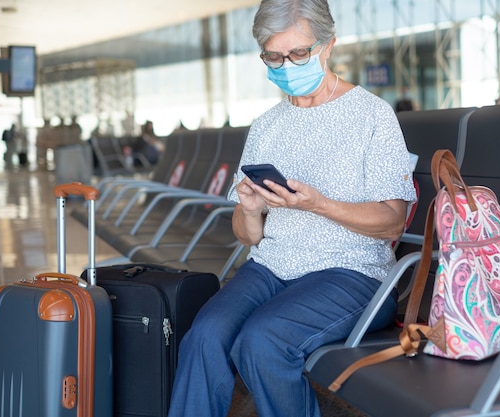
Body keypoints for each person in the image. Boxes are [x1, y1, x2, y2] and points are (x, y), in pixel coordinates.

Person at [168, 1, 416, 416]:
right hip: (271, 267)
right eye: (274, 56)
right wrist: (248, 208)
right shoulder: (267, 125)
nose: (287, 65)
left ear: (329, 46)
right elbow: (248, 235)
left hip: (351, 273)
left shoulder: (372, 116)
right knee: (205, 336)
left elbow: (392, 220)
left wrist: (321, 204)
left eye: (299, 53)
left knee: (263, 341)